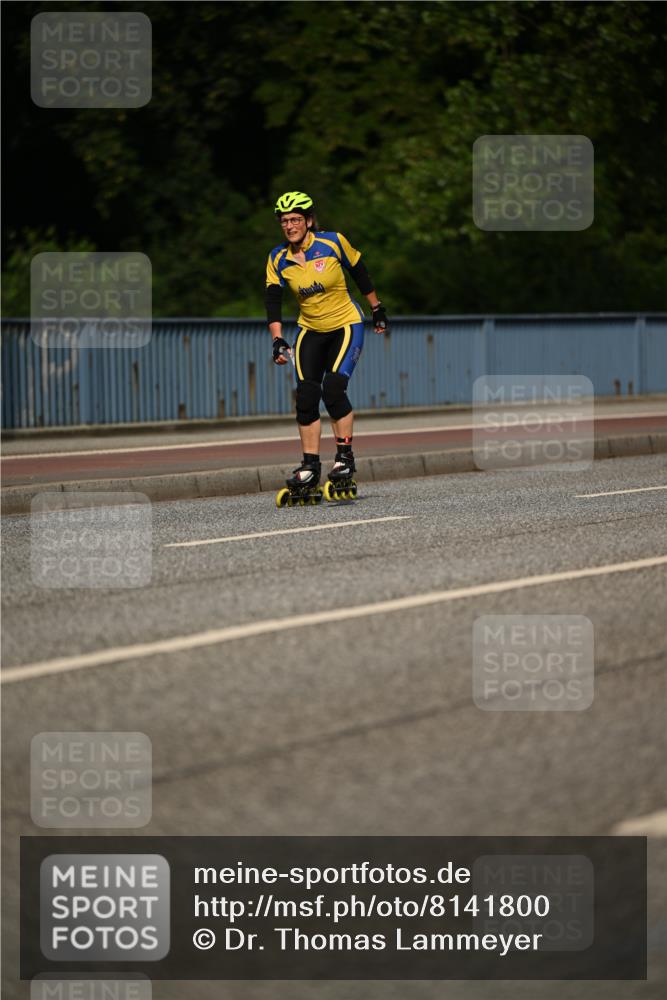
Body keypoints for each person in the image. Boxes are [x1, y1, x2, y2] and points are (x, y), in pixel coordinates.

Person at [265, 190, 388, 496]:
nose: (290, 226)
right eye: (284, 221)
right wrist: (278, 340)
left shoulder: (332, 242)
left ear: (308, 220)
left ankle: (344, 459)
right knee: (306, 397)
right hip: (310, 329)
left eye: (295, 219)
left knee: (333, 390)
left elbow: (358, 270)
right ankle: (309, 467)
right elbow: (273, 301)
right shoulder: (278, 258)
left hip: (346, 325)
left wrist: (376, 308)